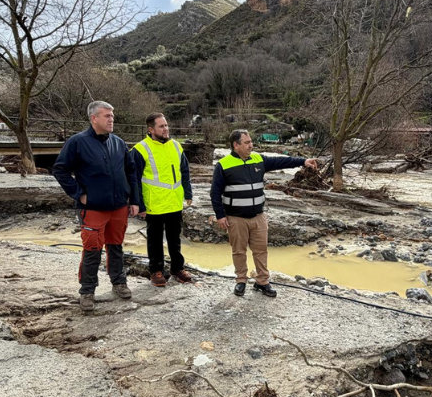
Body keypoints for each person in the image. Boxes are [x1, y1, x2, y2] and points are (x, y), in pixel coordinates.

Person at [52, 101, 139, 311]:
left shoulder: (118, 142)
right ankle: (87, 291)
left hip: (119, 206)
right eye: (107, 116)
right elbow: (60, 170)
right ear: (94, 118)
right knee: (92, 249)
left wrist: (135, 200)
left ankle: (119, 282)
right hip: (93, 208)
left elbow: (131, 173)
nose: (112, 119)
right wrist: (79, 194)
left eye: (112, 115)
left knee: (115, 246)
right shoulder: (78, 142)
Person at [210, 129, 318, 297]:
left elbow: (281, 162)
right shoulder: (223, 165)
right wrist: (220, 215)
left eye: (251, 142)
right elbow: (215, 193)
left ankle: (262, 282)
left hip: (258, 217)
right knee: (239, 251)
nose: (251, 145)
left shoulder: (258, 159)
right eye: (246, 143)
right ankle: (241, 280)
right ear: (236, 145)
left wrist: (303, 161)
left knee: (261, 251)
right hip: (236, 218)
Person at [132, 113, 194, 287]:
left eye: (166, 125)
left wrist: (188, 193)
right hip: (154, 204)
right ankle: (156, 270)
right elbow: (134, 179)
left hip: (174, 202)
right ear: (151, 129)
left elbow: (185, 171)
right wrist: (139, 203)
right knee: (155, 240)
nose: (166, 129)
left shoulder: (176, 146)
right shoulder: (141, 149)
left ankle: (177, 269)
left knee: (175, 239)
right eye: (161, 126)